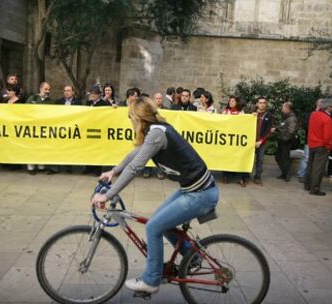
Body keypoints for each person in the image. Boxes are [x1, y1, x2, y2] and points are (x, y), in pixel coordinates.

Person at [91, 96, 218, 294]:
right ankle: (191, 257)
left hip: (201, 194)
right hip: (193, 189)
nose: (130, 121)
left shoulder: (157, 134)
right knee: (161, 223)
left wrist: (107, 196)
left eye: (130, 117)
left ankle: (151, 281)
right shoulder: (155, 131)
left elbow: (135, 167)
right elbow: (136, 154)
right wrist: (113, 172)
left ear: (138, 118)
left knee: (153, 227)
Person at [304, 98, 332, 195]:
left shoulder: (314, 114)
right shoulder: (327, 119)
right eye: (331, 107)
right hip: (321, 145)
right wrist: (328, 146)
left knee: (310, 165)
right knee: (318, 168)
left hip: (312, 143)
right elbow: (328, 136)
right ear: (328, 107)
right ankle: (315, 188)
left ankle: (307, 184)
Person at [26, 82, 56, 175]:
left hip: (44, 128)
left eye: (49, 89)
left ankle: (40, 165)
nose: (48, 91)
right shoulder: (32, 98)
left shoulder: (51, 102)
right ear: (40, 89)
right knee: (32, 146)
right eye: (46, 89)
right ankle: (31, 167)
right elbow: (24, 110)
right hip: (32, 127)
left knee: (42, 146)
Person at [222, 95, 246, 185]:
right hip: (226, 138)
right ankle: (225, 176)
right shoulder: (225, 112)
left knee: (237, 157)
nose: (230, 102)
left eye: (233, 101)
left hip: (237, 139)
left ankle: (240, 177)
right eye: (230, 101)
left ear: (237, 103)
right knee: (226, 157)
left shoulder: (241, 113)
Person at [272, 101, 298, 182]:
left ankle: (287, 174)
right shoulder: (286, 117)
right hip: (282, 140)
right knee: (279, 157)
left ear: (287, 108)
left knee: (284, 158)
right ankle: (285, 173)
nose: (282, 109)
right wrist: (277, 128)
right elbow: (283, 126)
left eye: (283, 107)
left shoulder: (292, 118)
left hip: (286, 141)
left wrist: (278, 129)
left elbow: (291, 131)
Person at [253, 97, 273, 186]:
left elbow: (268, 131)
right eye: (260, 102)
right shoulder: (252, 114)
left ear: (266, 104)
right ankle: (244, 177)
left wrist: (260, 141)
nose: (262, 104)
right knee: (248, 159)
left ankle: (257, 178)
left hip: (262, 142)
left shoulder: (269, 116)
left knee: (260, 160)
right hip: (251, 141)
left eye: (264, 103)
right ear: (257, 104)